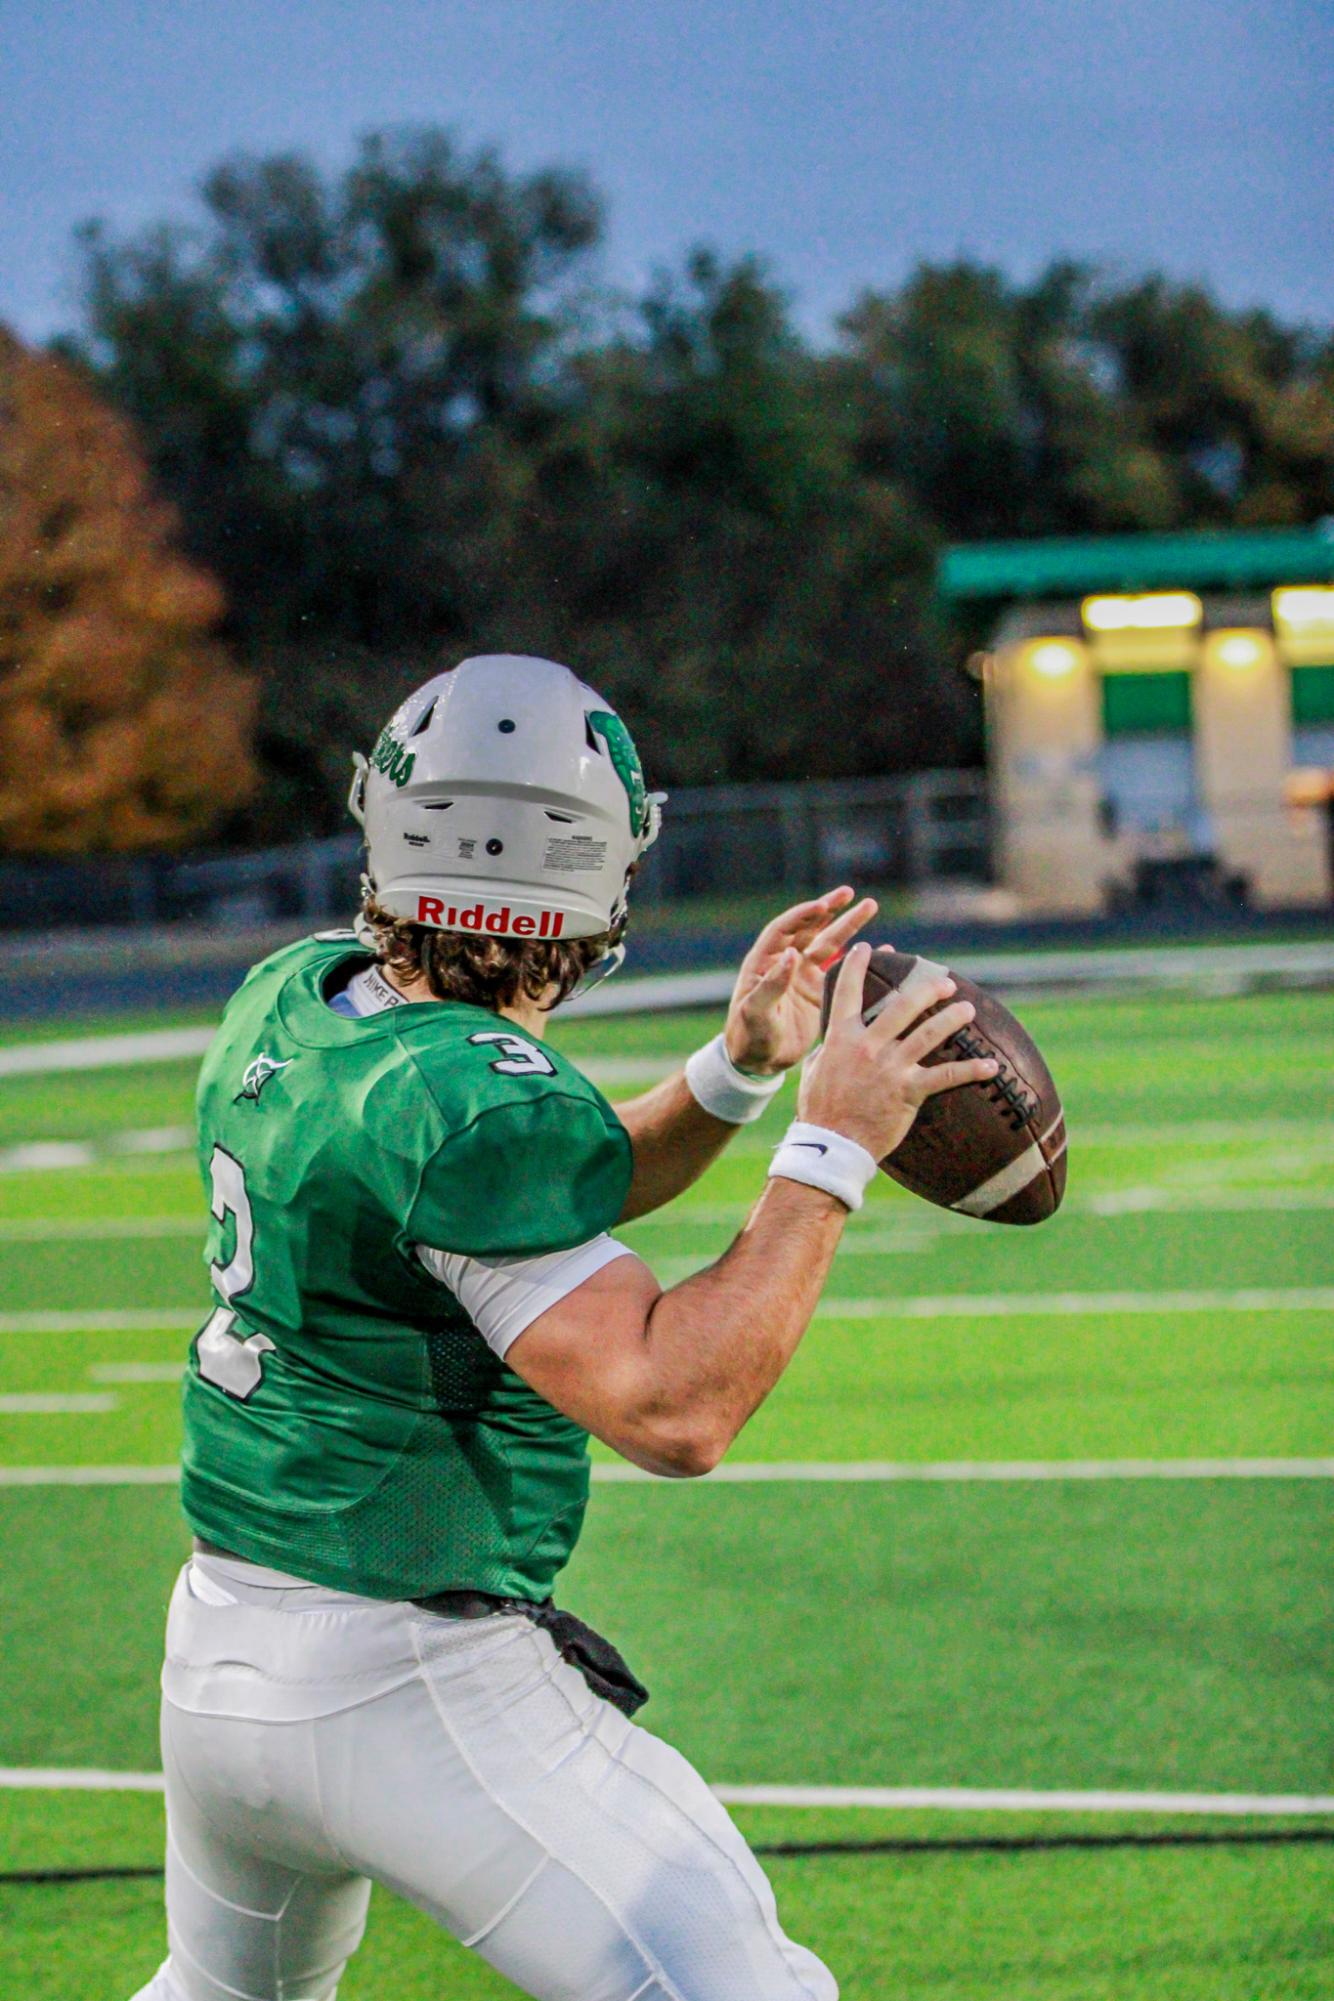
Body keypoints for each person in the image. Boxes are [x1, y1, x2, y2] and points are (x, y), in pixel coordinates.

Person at [130, 654, 997, 2001]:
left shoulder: (300, 999)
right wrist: (830, 1145)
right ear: (595, 882)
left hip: (224, 1653)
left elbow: (514, 1204)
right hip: (406, 1675)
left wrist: (736, 1071)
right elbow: (673, 1409)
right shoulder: (478, 1104)